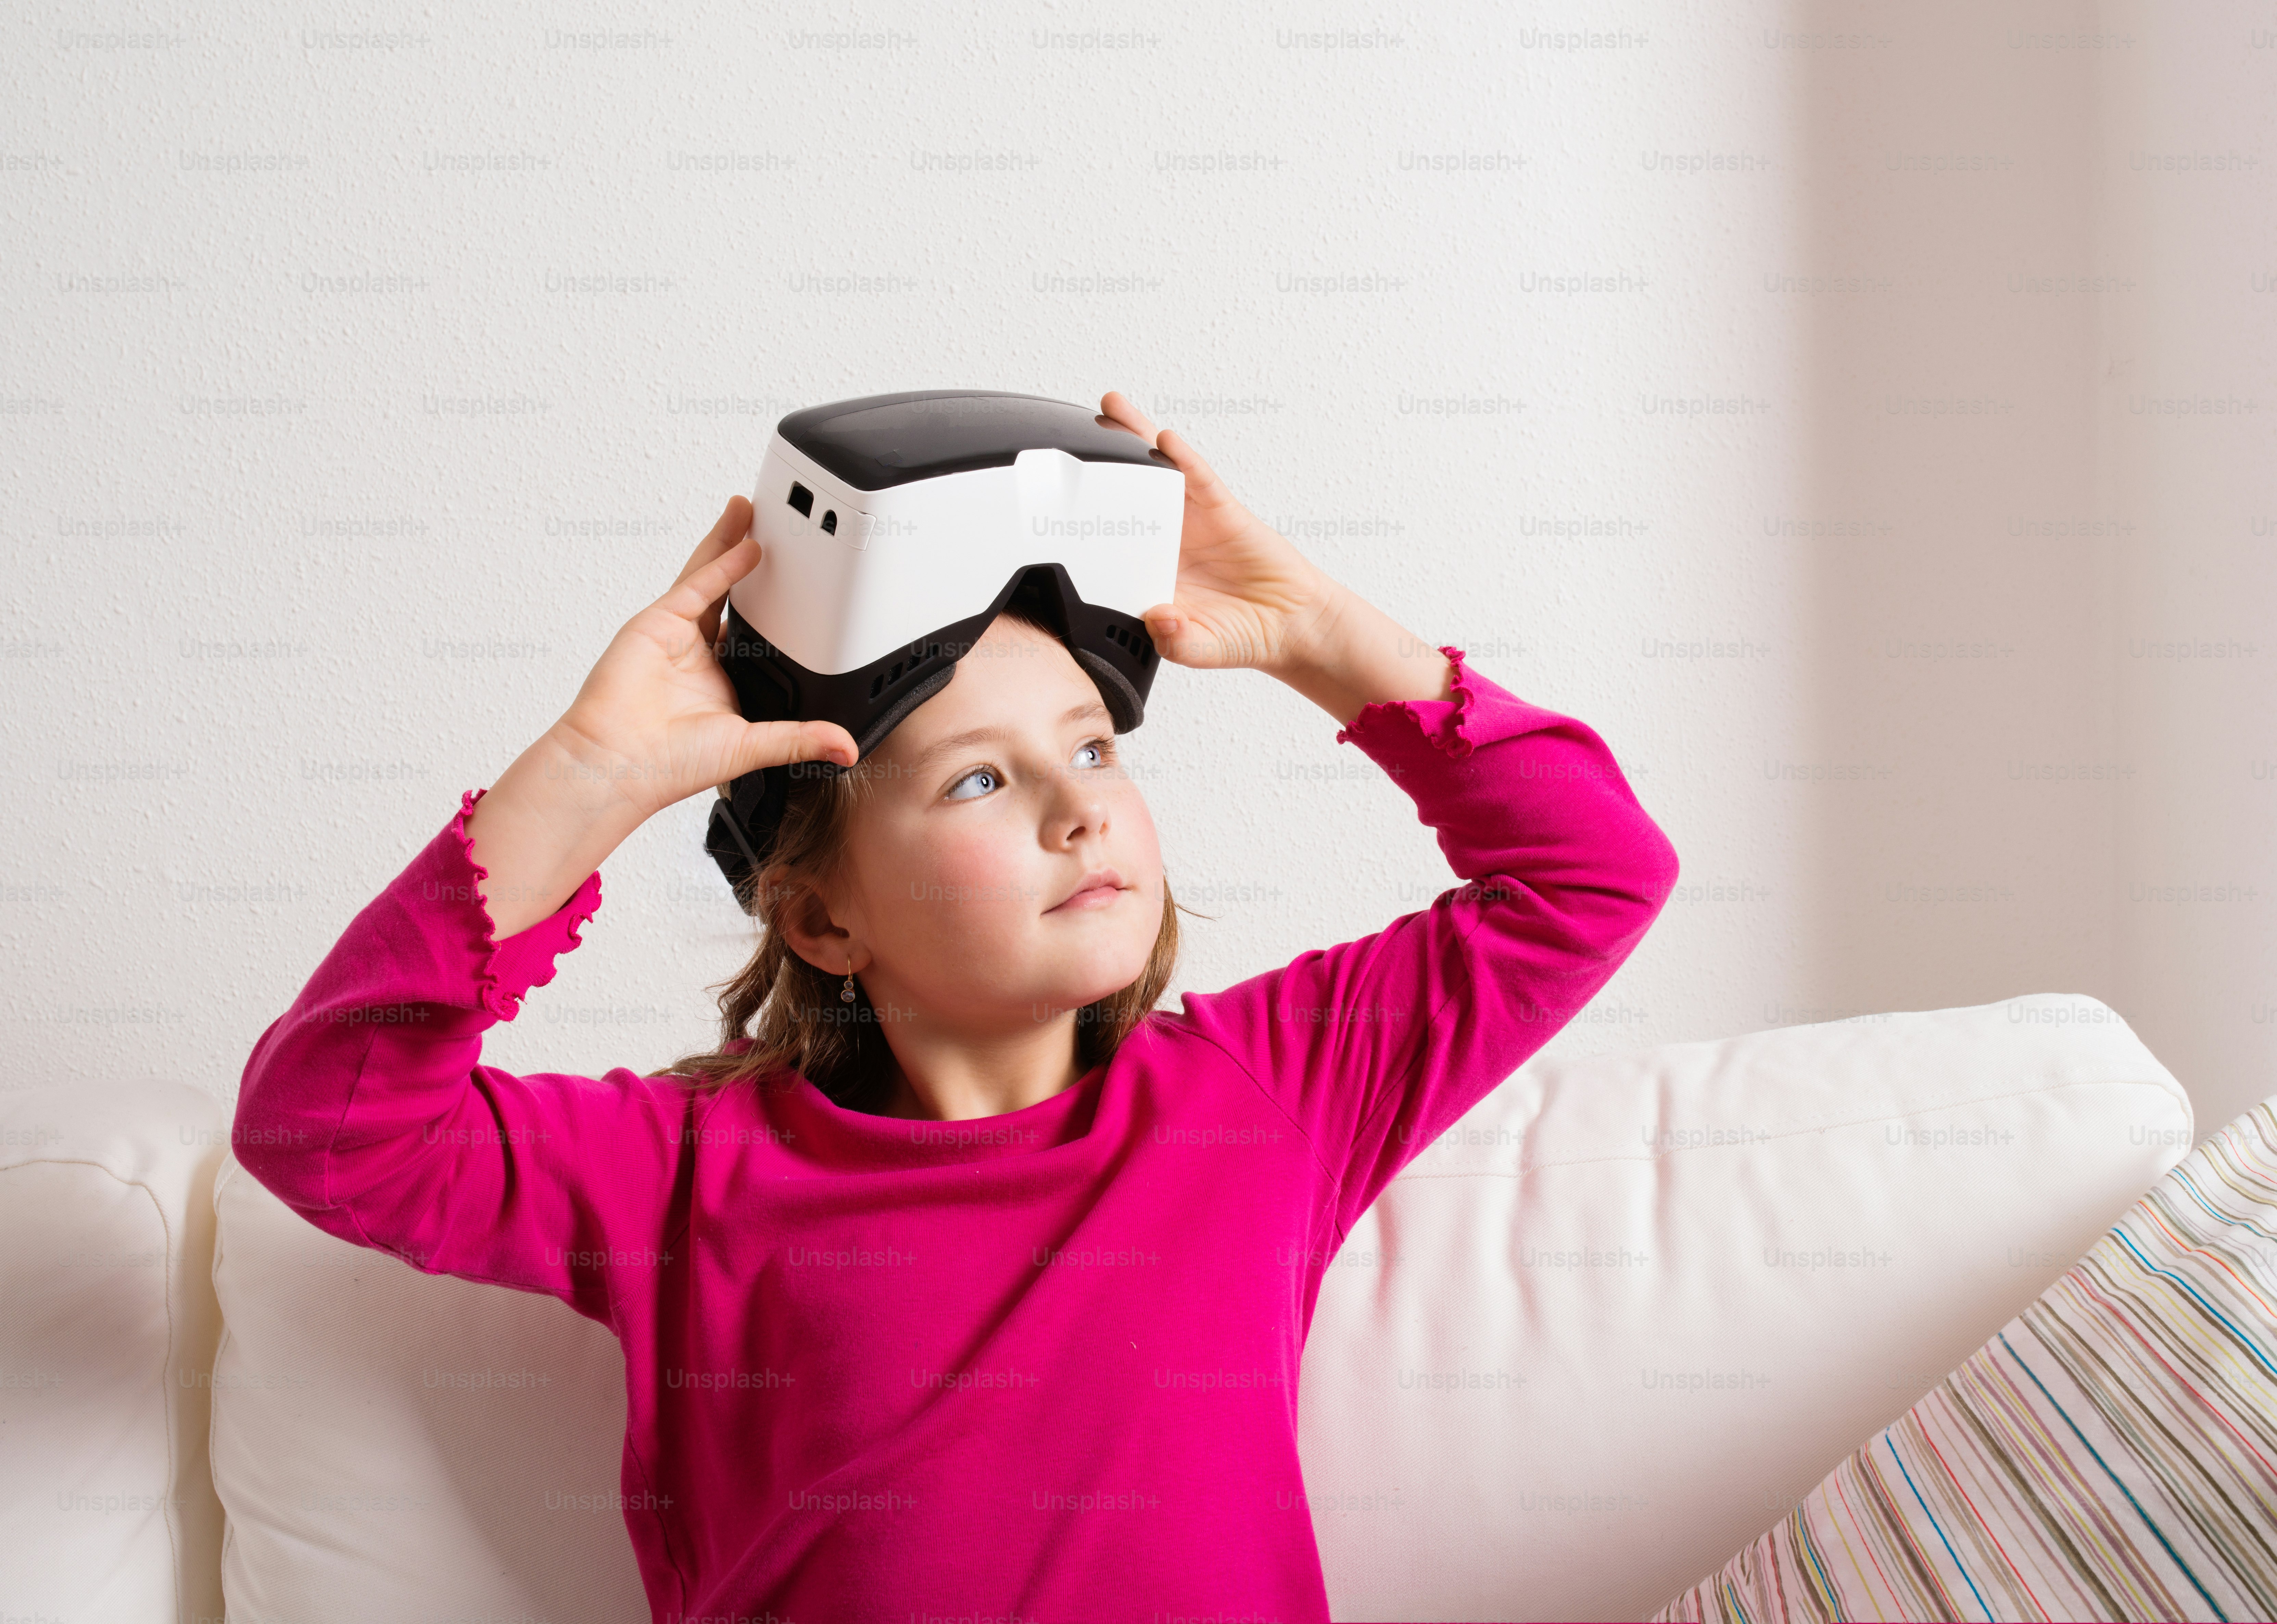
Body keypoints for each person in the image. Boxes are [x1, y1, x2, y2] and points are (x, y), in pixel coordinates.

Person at [233, 389, 1681, 1621]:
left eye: (1097, 749)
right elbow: (329, 1129)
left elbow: (1591, 872)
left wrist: (1315, 631)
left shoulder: (1267, 1093)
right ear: (822, 916)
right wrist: (585, 777)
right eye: (980, 778)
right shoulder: (679, 1169)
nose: (1077, 807)